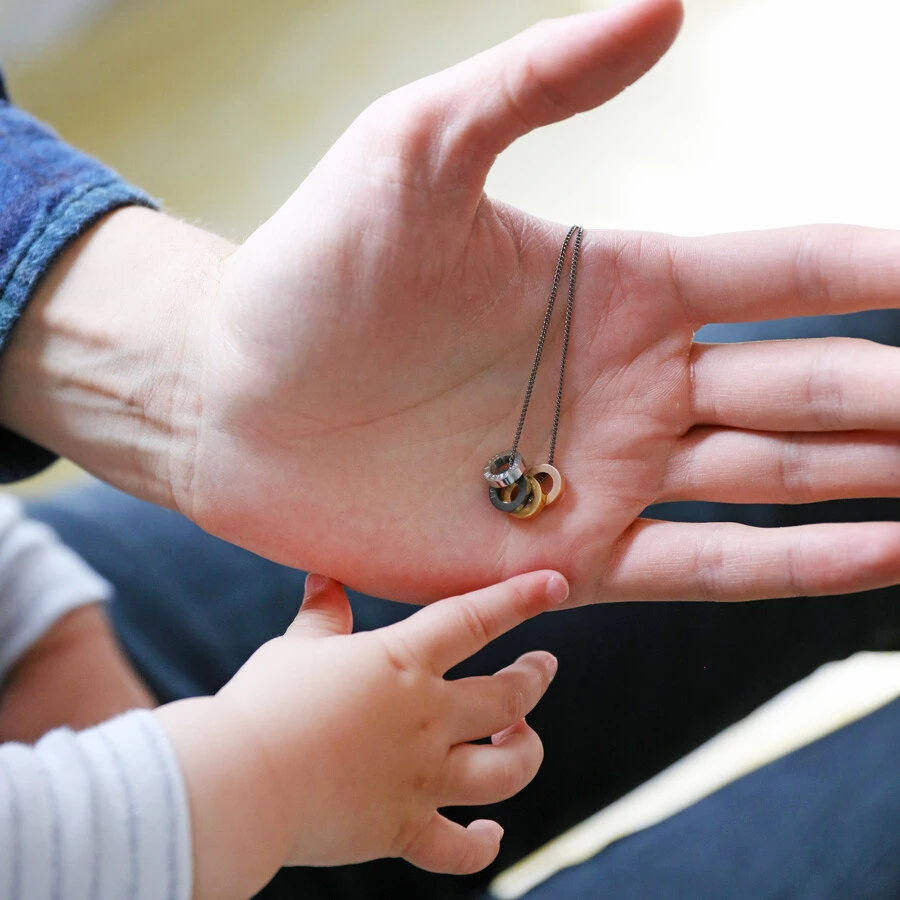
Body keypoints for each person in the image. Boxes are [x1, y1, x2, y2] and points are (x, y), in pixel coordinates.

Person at [2, 0, 900, 896]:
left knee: (866, 369)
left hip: (71, 640)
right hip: (158, 813)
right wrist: (244, 783)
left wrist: (181, 368)